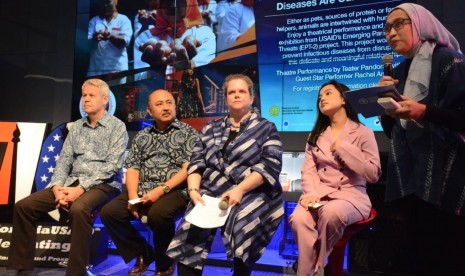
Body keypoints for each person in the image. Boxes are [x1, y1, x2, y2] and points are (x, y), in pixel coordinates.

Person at [5, 79, 128, 276]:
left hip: (105, 184)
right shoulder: (77, 127)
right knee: (24, 206)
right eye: (84, 95)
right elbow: (63, 161)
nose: (86, 99)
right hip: (72, 182)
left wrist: (80, 189)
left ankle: (76, 272)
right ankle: (23, 269)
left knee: (79, 208)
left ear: (105, 100)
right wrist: (57, 187)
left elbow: (112, 166)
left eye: (91, 95)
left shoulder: (117, 127)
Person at [166, 74, 284, 276]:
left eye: (242, 91)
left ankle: (241, 272)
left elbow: (270, 164)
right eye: (232, 92)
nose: (237, 95)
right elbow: (196, 162)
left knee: (242, 221)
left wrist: (240, 189)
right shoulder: (210, 128)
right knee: (190, 228)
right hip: (211, 190)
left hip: (252, 191)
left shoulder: (266, 128)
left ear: (251, 98)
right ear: (226, 97)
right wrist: (194, 190)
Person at [377, 3, 465, 274]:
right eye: (386, 28)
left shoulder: (448, 60)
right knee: (417, 253)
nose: (391, 33)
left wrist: (424, 111)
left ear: (420, 23)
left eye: (398, 24)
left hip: (445, 177)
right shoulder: (400, 72)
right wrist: (386, 109)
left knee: (445, 254)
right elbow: (396, 132)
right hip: (410, 177)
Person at [100, 89, 199, 276]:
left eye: (169, 103)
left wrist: (160, 190)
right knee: (109, 212)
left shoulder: (188, 133)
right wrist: (133, 198)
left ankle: (165, 264)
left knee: (158, 214)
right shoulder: (142, 136)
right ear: (149, 111)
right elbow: (133, 168)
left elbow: (188, 169)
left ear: (175, 106)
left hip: (175, 190)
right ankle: (143, 252)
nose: (166, 107)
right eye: (159, 104)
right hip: (144, 189)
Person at [289, 80, 381, 276]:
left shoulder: (364, 132)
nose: (322, 98)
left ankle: (315, 267)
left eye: (328, 93)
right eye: (320, 96)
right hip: (319, 195)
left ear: (344, 100)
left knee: (332, 213)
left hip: (352, 196)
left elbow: (373, 174)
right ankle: (310, 271)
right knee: (297, 218)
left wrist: (344, 148)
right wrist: (311, 194)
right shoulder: (315, 135)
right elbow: (309, 171)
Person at [135, 0, 216, 72]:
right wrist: (155, 70)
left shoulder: (204, 34)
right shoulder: (145, 37)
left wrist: (188, 66)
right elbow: (139, 79)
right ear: (159, 4)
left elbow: (208, 72)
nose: (173, 5)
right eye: (166, 0)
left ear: (190, 2)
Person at [87, 0, 133, 79]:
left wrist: (110, 36)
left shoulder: (123, 20)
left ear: (115, 2)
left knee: (116, 91)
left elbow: (125, 41)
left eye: (108, 2)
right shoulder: (94, 20)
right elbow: (86, 42)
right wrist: (94, 38)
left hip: (117, 70)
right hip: (96, 70)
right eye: (103, 2)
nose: (105, 5)